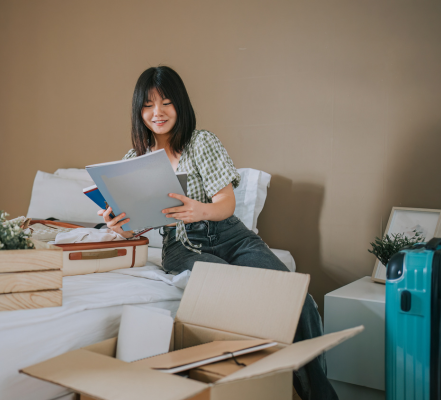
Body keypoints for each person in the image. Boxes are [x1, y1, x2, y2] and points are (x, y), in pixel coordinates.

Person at [96, 65, 338, 400]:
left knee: (300, 299)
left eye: (166, 102)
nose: (158, 112)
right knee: (236, 291)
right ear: (139, 111)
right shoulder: (133, 160)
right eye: (149, 105)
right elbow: (135, 227)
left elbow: (225, 203)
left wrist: (200, 209)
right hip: (180, 246)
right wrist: (118, 227)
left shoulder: (200, 142)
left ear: (180, 105)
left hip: (229, 235)